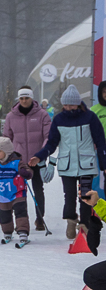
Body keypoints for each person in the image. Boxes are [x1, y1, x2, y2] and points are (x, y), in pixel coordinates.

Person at [29, 84, 106, 239]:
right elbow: (51, 143)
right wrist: (39, 156)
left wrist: (104, 165)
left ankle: (84, 225)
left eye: (71, 104)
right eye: (65, 104)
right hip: (67, 165)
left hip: (86, 165)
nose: (68, 107)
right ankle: (71, 220)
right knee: (69, 196)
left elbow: (100, 141)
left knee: (85, 195)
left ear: (78, 103)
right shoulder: (58, 119)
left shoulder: (90, 117)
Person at [2, 86, 51, 231]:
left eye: (27, 98)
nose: (24, 101)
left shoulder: (42, 115)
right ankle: (20, 219)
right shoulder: (11, 116)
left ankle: (40, 218)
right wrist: (7, 155)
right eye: (22, 98)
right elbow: (6, 137)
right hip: (18, 161)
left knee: (38, 189)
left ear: (32, 98)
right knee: (18, 191)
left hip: (36, 159)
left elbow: (48, 136)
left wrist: (40, 154)